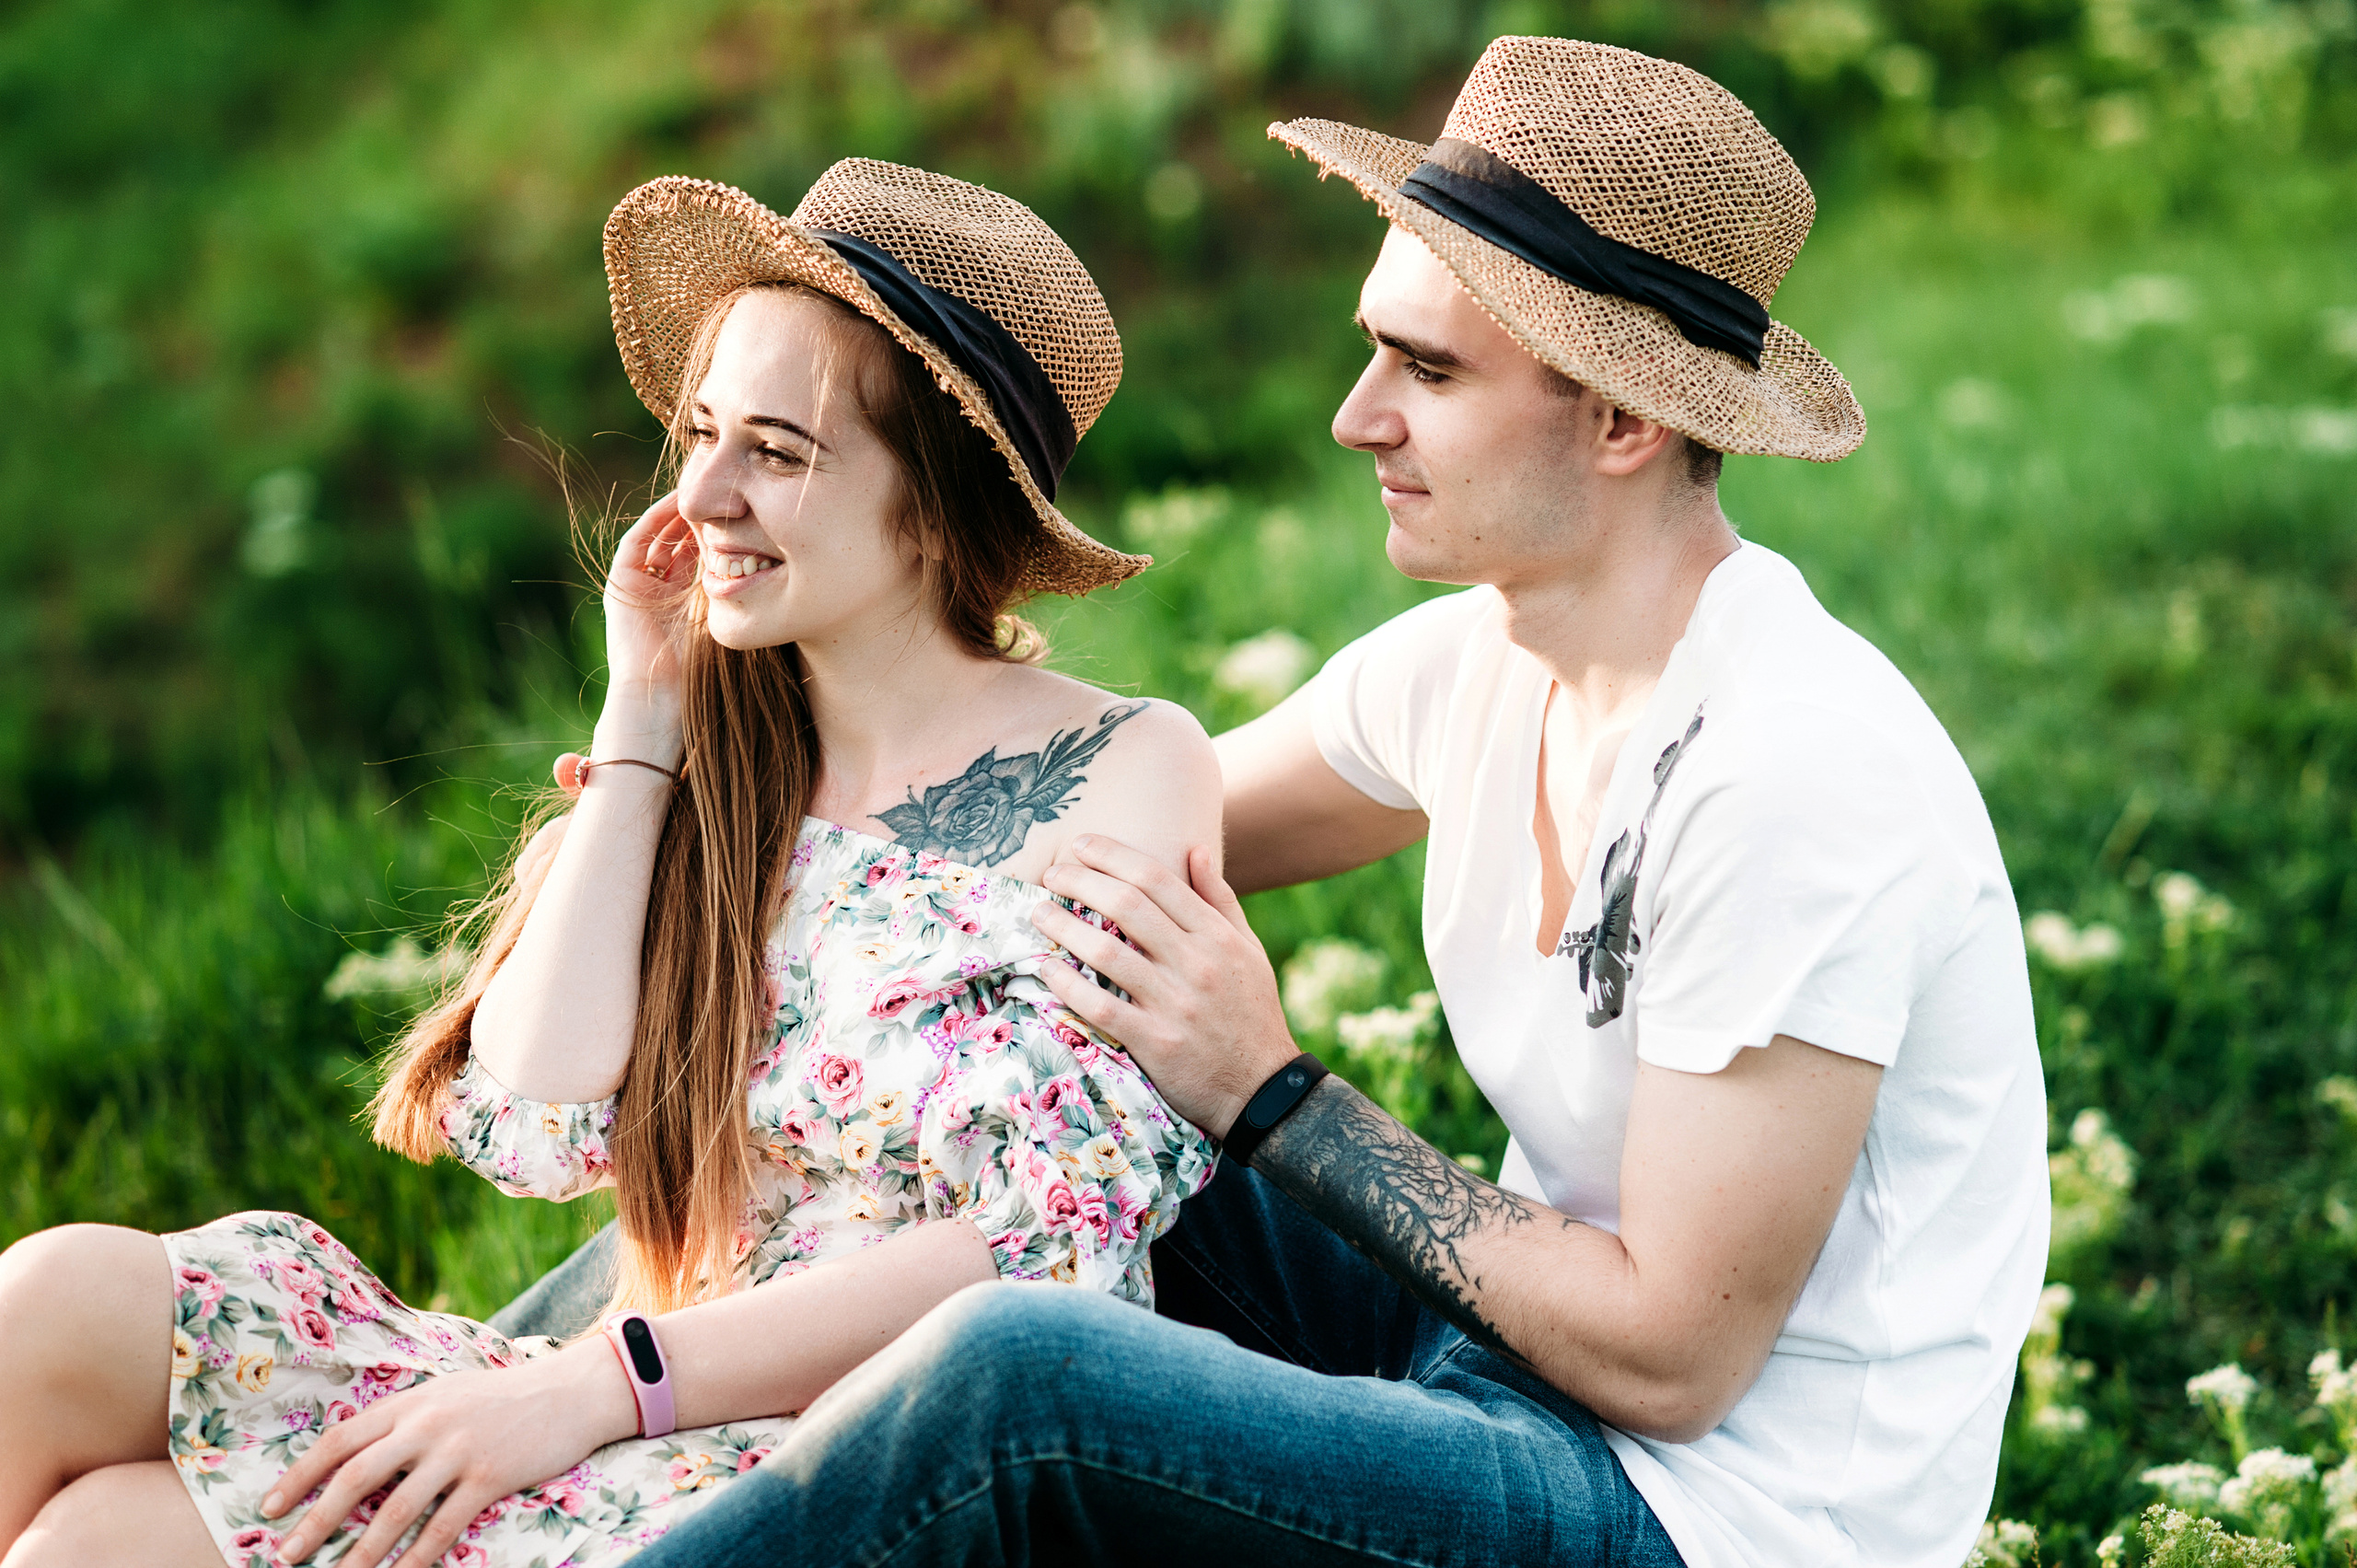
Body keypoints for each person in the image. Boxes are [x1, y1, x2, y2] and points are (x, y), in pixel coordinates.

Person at [606, 36, 2051, 1568]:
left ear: (1625, 420)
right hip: (1503, 1373)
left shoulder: (1793, 777)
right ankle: (502, 1412)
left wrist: (1268, 1090)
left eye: (1428, 371)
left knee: (1013, 1378)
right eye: (1376, 348)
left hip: (1711, 1517)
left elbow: (1674, 1364)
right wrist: (682, 792)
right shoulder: (1470, 666)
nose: (1358, 417)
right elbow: (1062, 869)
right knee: (975, 1133)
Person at [0, 159, 1220, 1568]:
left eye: (778, 450)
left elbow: (1048, 1244)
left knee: (106, 1543)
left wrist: (599, 1386)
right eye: (701, 433)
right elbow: (534, 1105)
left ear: (935, 501)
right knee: (62, 1315)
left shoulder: (1124, 767)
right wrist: (641, 727)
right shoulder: (723, 757)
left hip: (837, 1463)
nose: (700, 491)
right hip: (607, 1410)